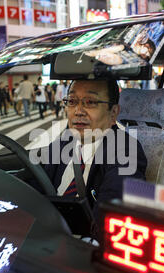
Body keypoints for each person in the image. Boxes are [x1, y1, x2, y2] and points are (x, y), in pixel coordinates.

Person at [33, 80, 147, 240]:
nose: (78, 111)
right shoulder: (64, 141)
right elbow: (33, 179)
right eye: (72, 102)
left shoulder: (126, 149)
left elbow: (111, 209)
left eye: (91, 102)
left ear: (113, 113)